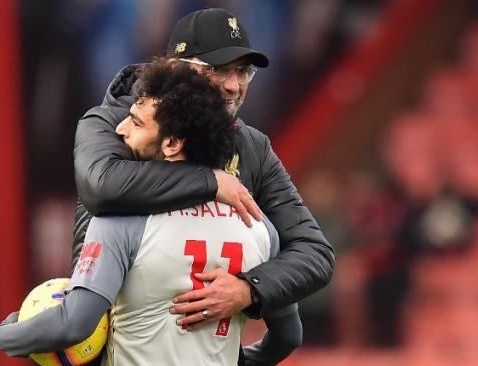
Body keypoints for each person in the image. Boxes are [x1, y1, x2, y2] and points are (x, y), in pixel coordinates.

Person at [0, 59, 301, 365]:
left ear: (170, 144)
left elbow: (73, 324)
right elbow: (288, 336)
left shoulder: (122, 219)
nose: (121, 128)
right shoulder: (259, 227)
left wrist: (8, 333)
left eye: (137, 122)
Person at [72, 7, 334, 334]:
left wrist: (249, 290)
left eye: (243, 71)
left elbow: (314, 253)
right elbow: (101, 185)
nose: (233, 85)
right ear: (172, 68)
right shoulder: (113, 122)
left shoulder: (251, 147)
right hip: (114, 345)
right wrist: (211, 181)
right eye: (217, 69)